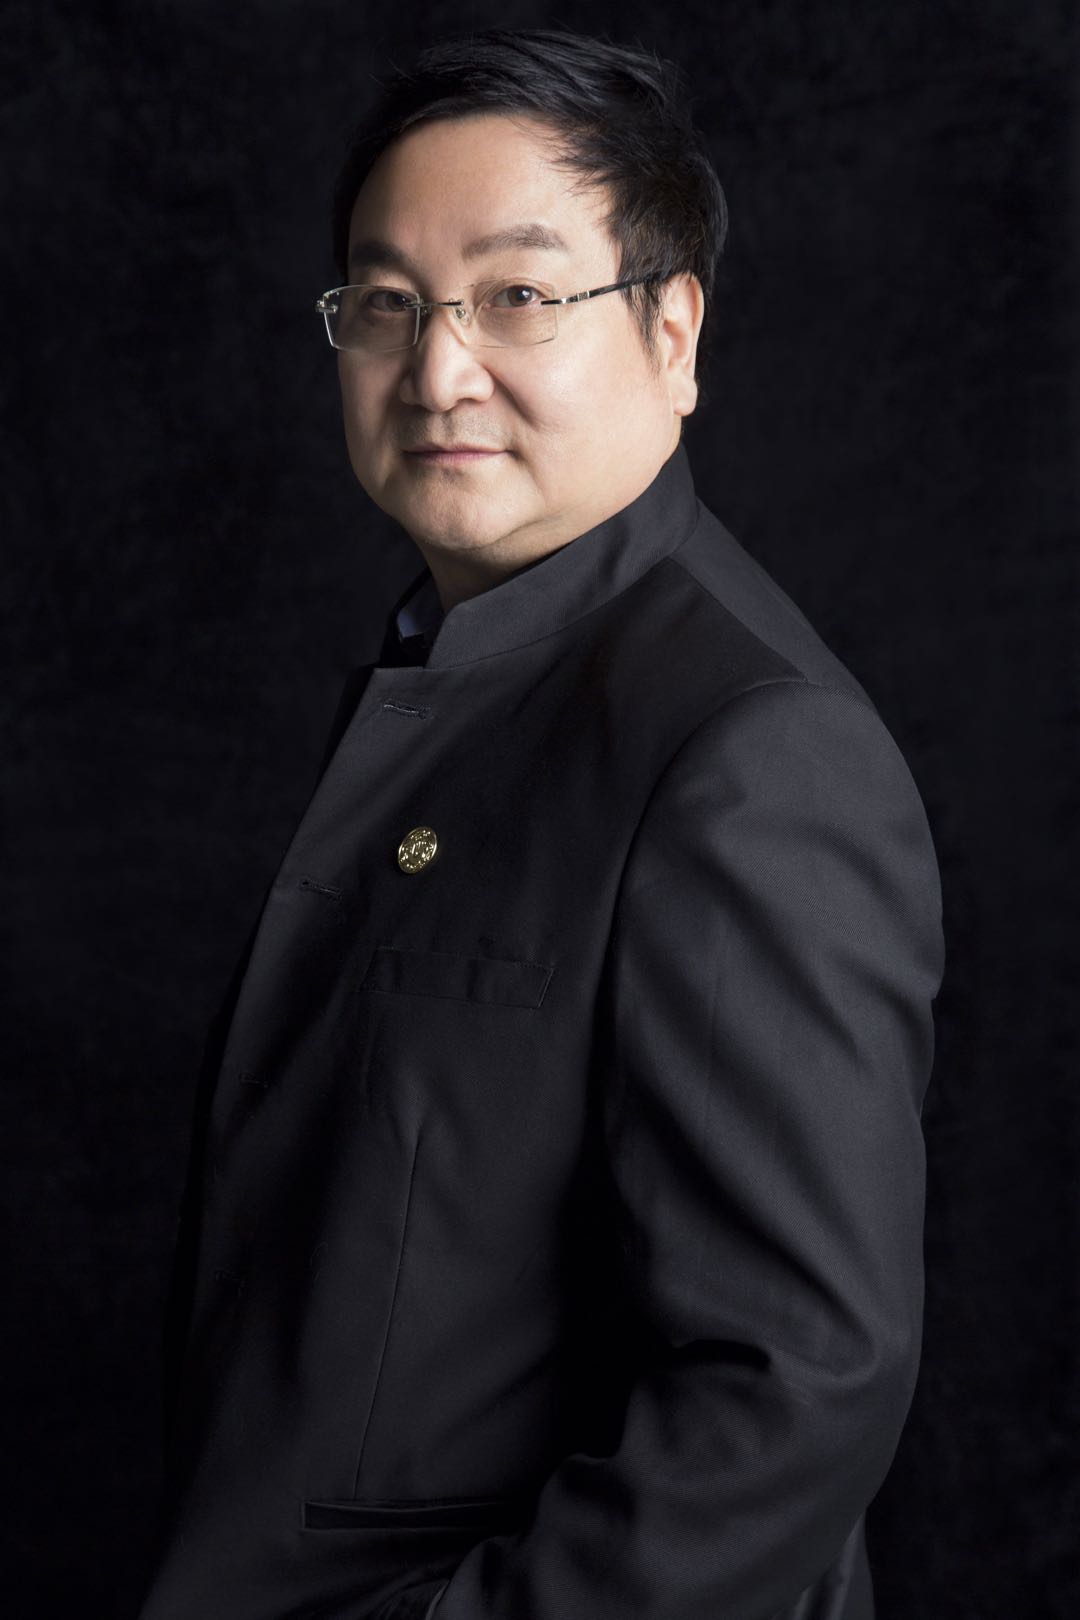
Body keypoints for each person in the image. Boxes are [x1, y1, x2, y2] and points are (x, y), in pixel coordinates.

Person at [136, 28, 944, 1620]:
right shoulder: (464, 667)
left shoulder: (750, 752)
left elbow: (792, 1392)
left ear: (672, 332)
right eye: (388, 304)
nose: (439, 371)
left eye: (517, 295)